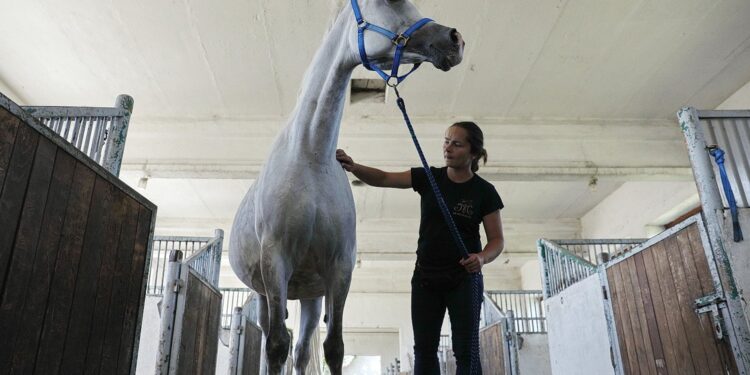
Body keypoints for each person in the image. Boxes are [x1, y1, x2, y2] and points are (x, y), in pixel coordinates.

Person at [336, 121, 505, 374]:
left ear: (474, 153)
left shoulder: (484, 192)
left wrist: (481, 258)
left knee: (466, 351)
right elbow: (383, 178)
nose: (447, 148)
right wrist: (353, 166)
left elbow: (497, 240)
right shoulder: (429, 178)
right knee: (424, 351)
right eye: (446, 141)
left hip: (464, 279)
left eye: (457, 144)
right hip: (426, 278)